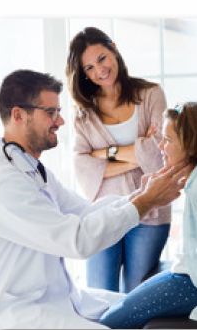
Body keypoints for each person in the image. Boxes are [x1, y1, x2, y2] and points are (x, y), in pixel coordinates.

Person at [0, 69, 187, 329]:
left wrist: (141, 195)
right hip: (25, 312)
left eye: (58, 111)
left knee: (134, 306)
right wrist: (145, 202)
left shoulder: (29, 167)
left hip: (62, 299)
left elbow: (85, 213)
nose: (60, 121)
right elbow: (76, 239)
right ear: (18, 115)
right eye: (50, 112)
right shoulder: (2, 181)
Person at [99, 101, 197, 328]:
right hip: (187, 275)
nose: (160, 147)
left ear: (192, 145)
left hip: (196, 284)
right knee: (116, 310)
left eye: (167, 140)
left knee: (111, 322)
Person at [66, 27, 170, 293]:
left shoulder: (151, 95)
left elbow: (161, 155)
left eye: (102, 58)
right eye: (89, 68)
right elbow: (82, 165)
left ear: (113, 47)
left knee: (137, 296)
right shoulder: (84, 114)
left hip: (150, 211)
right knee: (100, 295)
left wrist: (105, 154)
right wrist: (139, 154)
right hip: (104, 212)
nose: (99, 71)